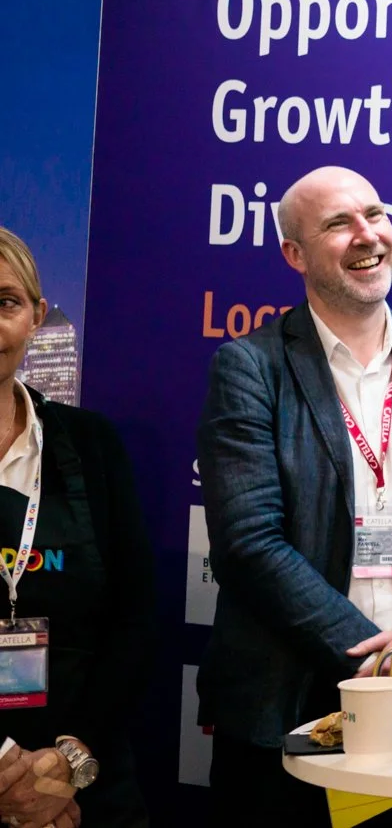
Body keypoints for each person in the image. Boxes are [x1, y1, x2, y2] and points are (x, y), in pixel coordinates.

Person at [196, 167, 392, 827]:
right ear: (295, 254)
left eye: (375, 214)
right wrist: (371, 648)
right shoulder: (251, 367)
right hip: (286, 702)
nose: (367, 234)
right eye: (339, 223)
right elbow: (248, 543)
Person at [0, 229, 153, 828]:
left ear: (36, 317)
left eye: (6, 303)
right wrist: (9, 774)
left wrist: (65, 766)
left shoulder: (92, 445)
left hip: (88, 781)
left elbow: (133, 619)